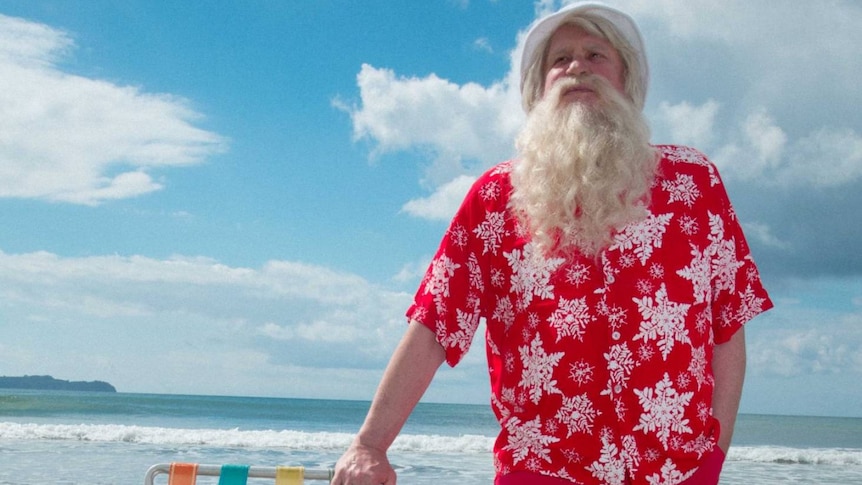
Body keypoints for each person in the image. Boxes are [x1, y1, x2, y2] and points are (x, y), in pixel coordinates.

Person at [333, 2, 772, 484]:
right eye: (559, 59)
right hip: (541, 470)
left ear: (626, 78)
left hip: (677, 472)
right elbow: (436, 324)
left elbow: (727, 324)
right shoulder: (496, 198)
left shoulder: (692, 183)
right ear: (538, 88)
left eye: (595, 54)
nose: (577, 66)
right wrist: (370, 445)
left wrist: (714, 457)